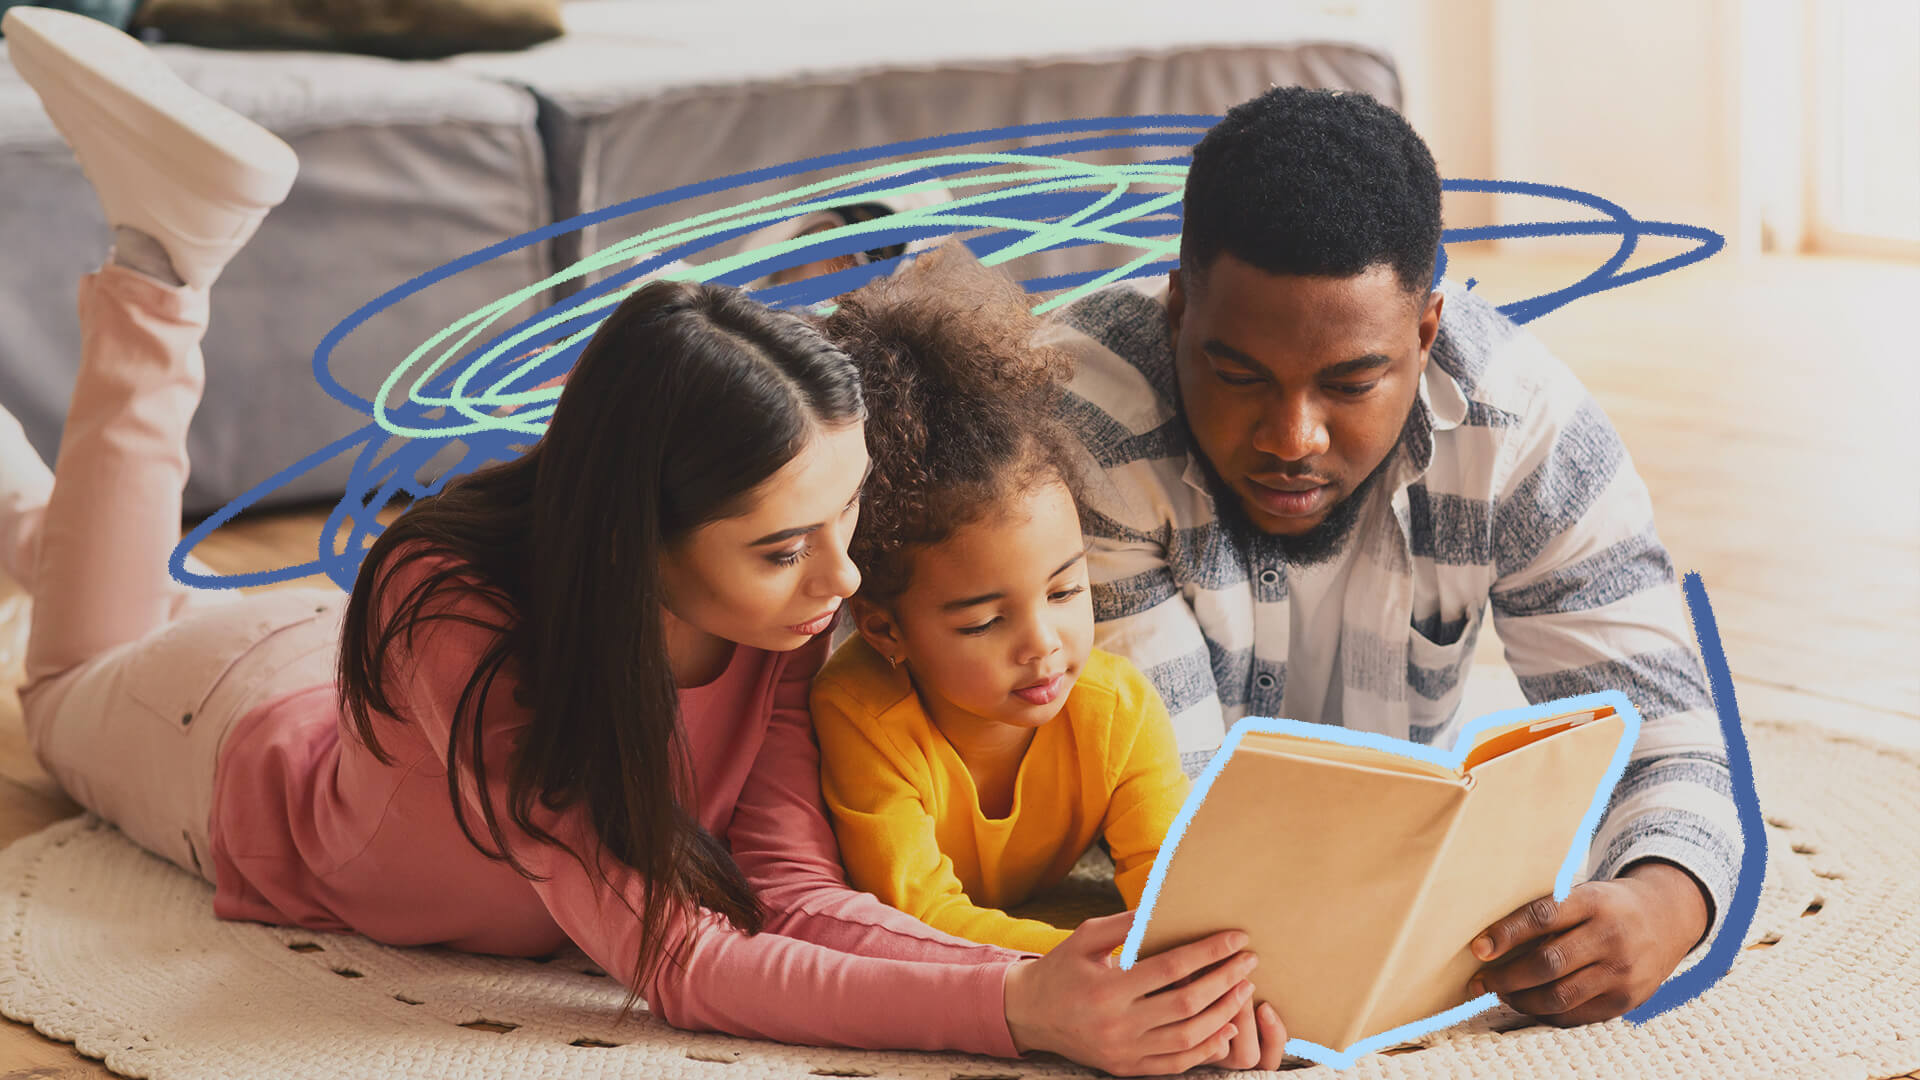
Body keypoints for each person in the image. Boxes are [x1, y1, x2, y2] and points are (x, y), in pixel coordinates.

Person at [0, 8, 1267, 1076]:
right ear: (641, 544)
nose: (841, 586)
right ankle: (163, 268)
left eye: (846, 522)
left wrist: (1054, 969)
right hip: (224, 730)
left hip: (315, 654)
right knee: (61, 688)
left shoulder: (779, 622)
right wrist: (1016, 1015)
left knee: (93, 590)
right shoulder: (466, 640)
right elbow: (679, 956)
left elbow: (797, 898)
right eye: (784, 551)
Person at [1045, 85, 1741, 1027]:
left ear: (1425, 335)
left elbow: (1667, 733)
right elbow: (1187, 848)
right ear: (1176, 311)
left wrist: (1661, 905)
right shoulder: (1077, 423)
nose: (1292, 438)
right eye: (1238, 374)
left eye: (1350, 382)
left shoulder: (1526, 431)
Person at [807, 249, 1194, 959]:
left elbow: (1177, 895)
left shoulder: (1118, 711)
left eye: (1067, 589)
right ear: (887, 630)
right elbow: (917, 918)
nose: (1043, 643)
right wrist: (1085, 963)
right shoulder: (860, 713)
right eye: (986, 620)